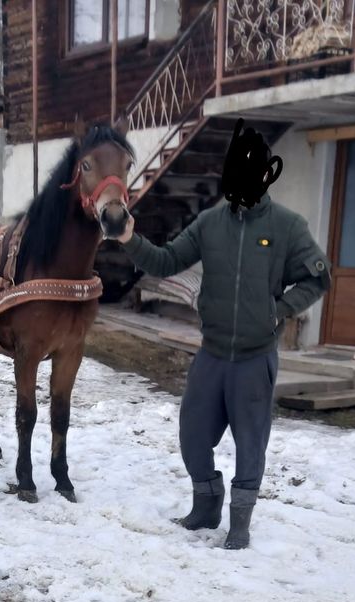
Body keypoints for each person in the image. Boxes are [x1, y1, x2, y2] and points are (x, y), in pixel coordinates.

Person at [114, 119, 331, 549]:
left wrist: (278, 310)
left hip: (254, 357)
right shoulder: (210, 223)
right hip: (212, 354)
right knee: (193, 435)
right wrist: (129, 238)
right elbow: (165, 260)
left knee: (250, 445)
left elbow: (317, 277)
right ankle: (206, 505)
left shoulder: (287, 226)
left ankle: (240, 523)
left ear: (265, 174)